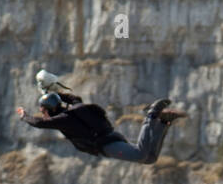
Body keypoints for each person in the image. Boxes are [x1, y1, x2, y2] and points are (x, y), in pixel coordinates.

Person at [16, 70, 185, 164]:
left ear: (50, 110)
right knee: (150, 158)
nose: (43, 114)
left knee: (141, 154)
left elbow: (38, 123)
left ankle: (152, 114)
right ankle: (163, 121)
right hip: (112, 138)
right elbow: (72, 97)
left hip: (107, 146)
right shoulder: (76, 107)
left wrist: (25, 116)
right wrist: (55, 92)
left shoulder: (63, 120)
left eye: (44, 110)